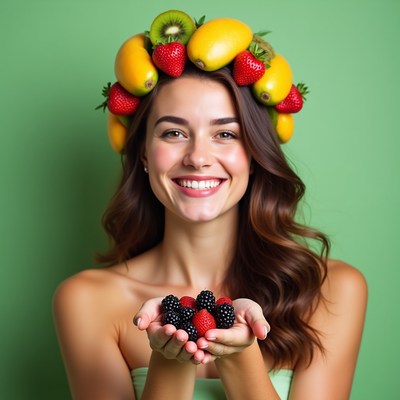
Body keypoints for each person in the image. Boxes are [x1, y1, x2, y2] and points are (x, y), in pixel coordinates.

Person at [53, 10, 367, 400]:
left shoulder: (331, 290)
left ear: (254, 154)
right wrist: (171, 360)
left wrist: (241, 355)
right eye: (173, 132)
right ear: (144, 154)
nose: (198, 157)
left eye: (225, 133)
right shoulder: (85, 300)